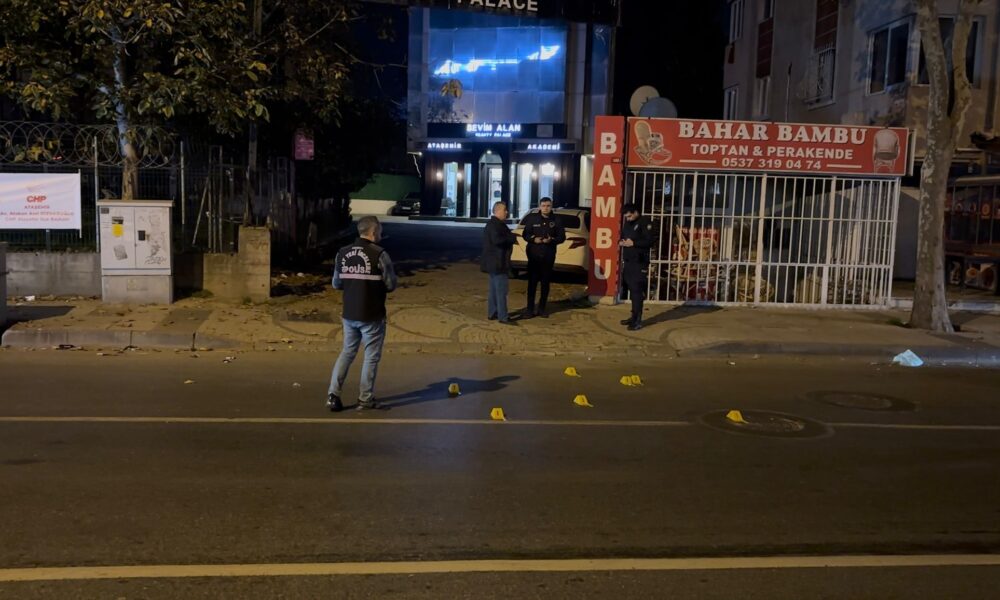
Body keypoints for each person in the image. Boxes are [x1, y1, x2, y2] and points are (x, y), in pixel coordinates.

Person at [327, 216, 398, 412]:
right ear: (373, 232)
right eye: (380, 231)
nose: (381, 235)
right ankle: (365, 398)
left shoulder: (342, 253)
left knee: (347, 353)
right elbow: (391, 285)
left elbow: (336, 284)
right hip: (372, 314)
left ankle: (333, 395)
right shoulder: (380, 254)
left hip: (349, 313)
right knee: (371, 357)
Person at [520, 197, 565, 318]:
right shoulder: (532, 218)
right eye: (543, 205)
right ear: (540, 206)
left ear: (551, 206)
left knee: (545, 284)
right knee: (532, 284)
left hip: (548, 256)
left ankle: (542, 309)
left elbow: (562, 237)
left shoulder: (557, 220)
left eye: (548, 206)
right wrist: (533, 239)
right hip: (533, 257)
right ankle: (529, 309)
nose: (546, 208)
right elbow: (525, 234)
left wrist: (552, 240)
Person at [481, 201, 518, 325]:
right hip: (498, 262)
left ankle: (493, 312)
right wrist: (511, 238)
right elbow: (497, 240)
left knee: (494, 290)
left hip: (494, 262)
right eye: (504, 210)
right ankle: (503, 316)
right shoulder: (495, 225)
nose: (507, 212)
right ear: (497, 211)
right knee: (501, 290)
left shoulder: (495, 224)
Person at [619, 203, 654, 331]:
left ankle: (637, 320)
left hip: (639, 262)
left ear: (635, 212)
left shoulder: (645, 222)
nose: (628, 219)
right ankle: (633, 316)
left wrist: (634, 243)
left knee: (637, 290)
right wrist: (621, 241)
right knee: (631, 289)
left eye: (629, 216)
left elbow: (650, 241)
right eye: (626, 217)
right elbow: (623, 236)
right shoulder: (628, 223)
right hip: (629, 261)